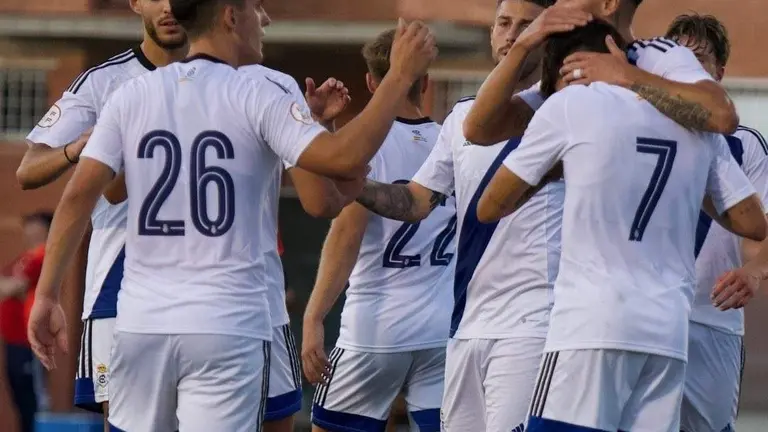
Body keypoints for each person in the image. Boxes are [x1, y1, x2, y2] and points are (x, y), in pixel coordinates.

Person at [26, 0, 437, 428]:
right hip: (225, 320)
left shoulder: (132, 93)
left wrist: (47, 295)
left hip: (143, 321)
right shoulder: (261, 89)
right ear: (230, 16)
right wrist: (400, 77)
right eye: (255, 8)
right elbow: (340, 164)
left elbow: (84, 196)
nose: (265, 21)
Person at [475, 20, 767, 432]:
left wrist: (563, 165)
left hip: (592, 323)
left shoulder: (572, 106)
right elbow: (753, 222)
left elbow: (490, 206)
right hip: (668, 329)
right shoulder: (702, 129)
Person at [354, 1, 560, 430]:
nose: (513, 36)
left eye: (527, 26)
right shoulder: (462, 117)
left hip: (536, 324)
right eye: (504, 24)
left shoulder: (566, 111)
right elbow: (415, 200)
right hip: (466, 323)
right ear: (491, 33)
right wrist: (350, 183)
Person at [17, 0, 187, 425]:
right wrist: (81, 147)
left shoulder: (231, 80)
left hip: (209, 280)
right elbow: (28, 170)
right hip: (120, 281)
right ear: (135, 3)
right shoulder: (104, 81)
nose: (168, 7)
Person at [300, 28, 454, 432]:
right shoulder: (451, 143)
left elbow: (347, 232)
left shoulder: (364, 147)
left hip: (377, 330)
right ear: (427, 81)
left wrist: (314, 315)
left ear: (370, 82)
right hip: (443, 330)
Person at [665, 13, 768, 432]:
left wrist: (754, 271)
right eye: (678, 56)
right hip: (641, 316)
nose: (688, 68)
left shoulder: (744, 144)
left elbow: (764, 227)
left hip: (712, 319)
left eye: (700, 59)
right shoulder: (627, 128)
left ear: (719, 74)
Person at [463, 0, 740, 148]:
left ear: (608, 4)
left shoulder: (659, 55)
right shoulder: (568, 66)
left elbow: (723, 116)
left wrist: (625, 76)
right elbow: (478, 130)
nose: (555, 7)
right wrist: (524, 44)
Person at [0, 212, 52, 432]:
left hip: (30, 341)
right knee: (20, 399)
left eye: (34, 226)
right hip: (13, 338)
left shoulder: (44, 256)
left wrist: (10, 287)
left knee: (33, 400)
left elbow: (11, 287)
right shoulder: (24, 257)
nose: (28, 231)